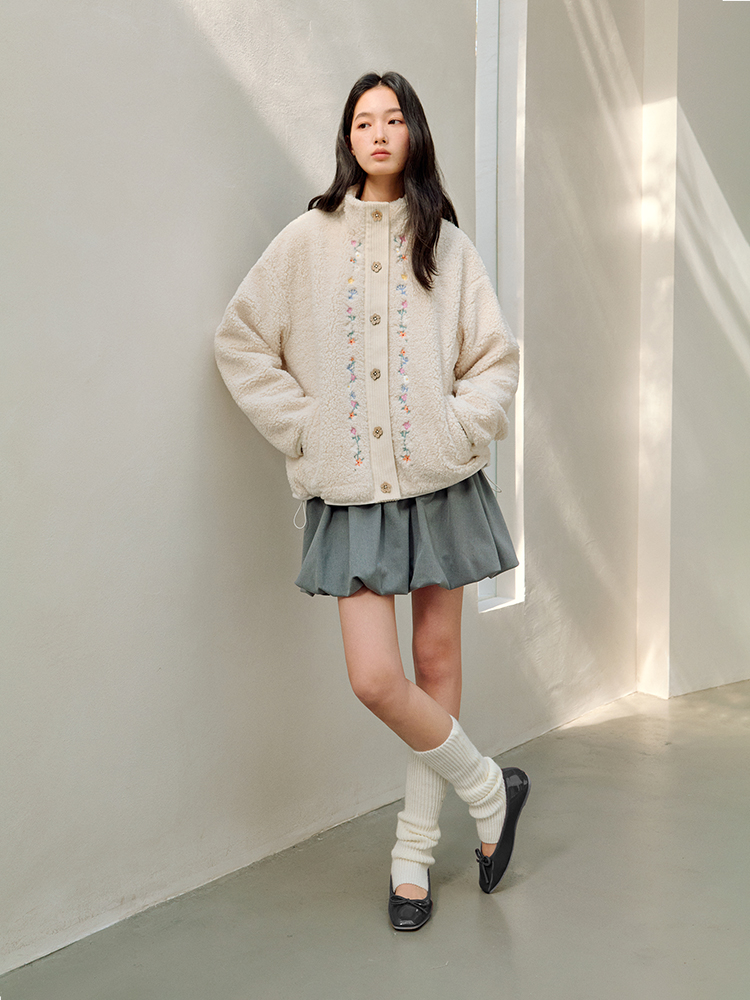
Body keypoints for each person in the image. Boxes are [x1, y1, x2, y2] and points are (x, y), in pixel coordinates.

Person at [215, 71, 529, 931]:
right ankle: (489, 788)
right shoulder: (306, 240)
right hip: (352, 489)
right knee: (376, 678)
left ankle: (413, 857)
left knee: (435, 662)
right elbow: (240, 341)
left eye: (393, 119)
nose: (379, 132)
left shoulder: (447, 245)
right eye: (363, 121)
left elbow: (494, 358)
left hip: (441, 482)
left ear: (413, 133)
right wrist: (306, 429)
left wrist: (461, 427)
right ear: (347, 138)